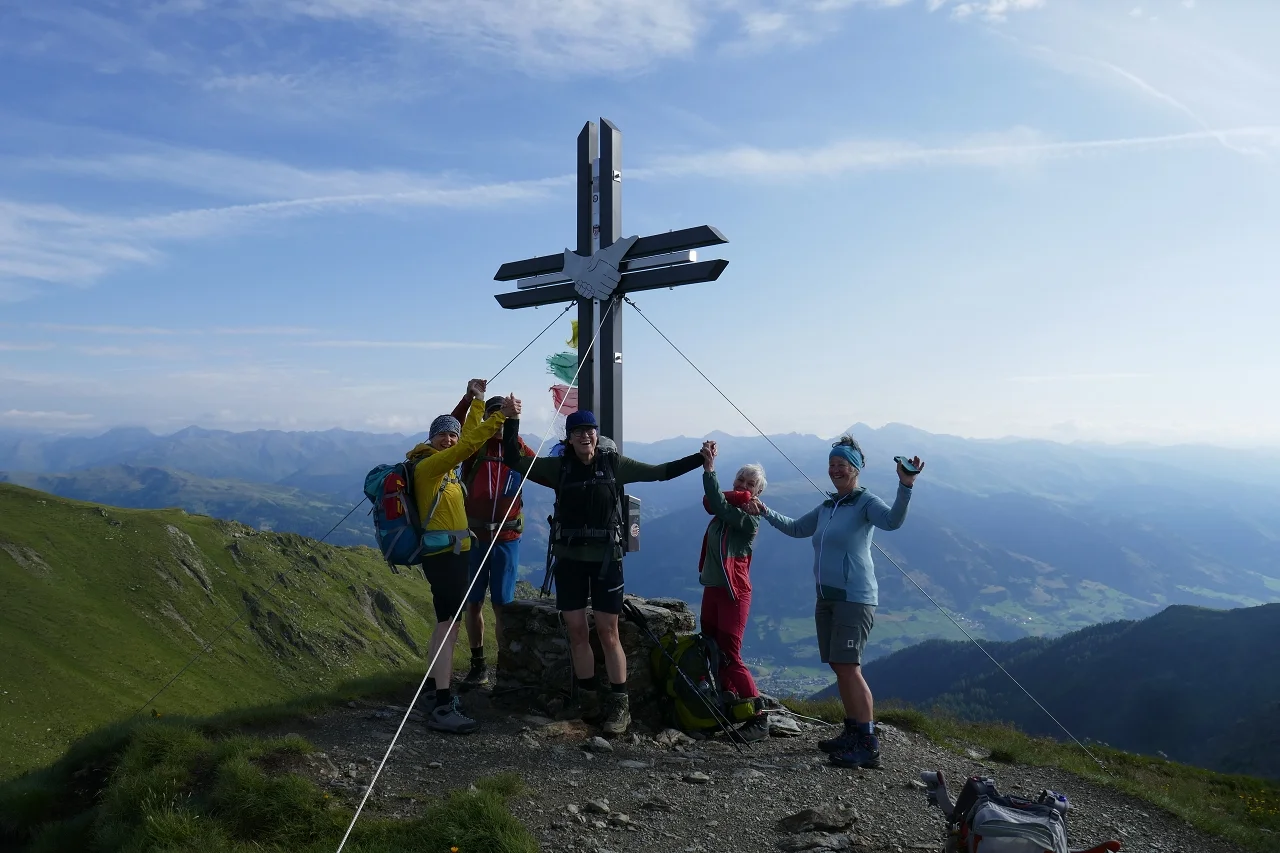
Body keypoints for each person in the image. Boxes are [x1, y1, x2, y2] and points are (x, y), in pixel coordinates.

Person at [502, 409, 707, 736]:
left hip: (606, 561)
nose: (585, 435)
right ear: (569, 438)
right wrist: (512, 419)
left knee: (608, 632)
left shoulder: (614, 465)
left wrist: (700, 458)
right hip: (569, 560)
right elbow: (513, 458)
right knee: (577, 631)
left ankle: (619, 705)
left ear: (597, 435)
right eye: (579, 431)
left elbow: (660, 473)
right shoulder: (559, 467)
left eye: (590, 430)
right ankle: (589, 700)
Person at [747, 436, 923, 768]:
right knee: (839, 666)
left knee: (849, 667)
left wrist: (906, 485)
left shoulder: (864, 503)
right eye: (832, 464)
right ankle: (853, 730)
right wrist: (765, 510)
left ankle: (868, 743)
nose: (835, 470)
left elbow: (893, 521)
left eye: (842, 465)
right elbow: (798, 528)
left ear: (856, 469)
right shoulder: (829, 506)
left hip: (854, 599)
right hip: (826, 597)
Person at [405, 380, 519, 734]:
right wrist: (497, 416)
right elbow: (472, 440)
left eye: (451, 436)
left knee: (445, 624)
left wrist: (479, 401)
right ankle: (442, 704)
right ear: (431, 438)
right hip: (444, 556)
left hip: (452, 553)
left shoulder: (443, 466)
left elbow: (467, 434)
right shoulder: (431, 466)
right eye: (442, 435)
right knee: (447, 628)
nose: (450, 440)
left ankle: (431, 692)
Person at [446, 393, 535, 689]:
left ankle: (504, 670)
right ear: (486, 418)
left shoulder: (518, 448)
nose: (499, 421)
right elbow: (452, 431)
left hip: (506, 537)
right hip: (474, 537)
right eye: (494, 415)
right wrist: (471, 399)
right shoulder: (473, 447)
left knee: (501, 607)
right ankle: (478, 664)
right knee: (473, 604)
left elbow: (546, 471)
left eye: (504, 415)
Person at [697, 441, 771, 742]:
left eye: (750, 484)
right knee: (711, 646)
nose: (743, 485)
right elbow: (712, 501)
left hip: (734, 593)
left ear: (757, 492)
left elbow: (715, 499)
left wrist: (709, 468)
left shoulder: (748, 519)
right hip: (714, 588)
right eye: (740, 480)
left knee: (731, 652)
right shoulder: (723, 512)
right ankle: (730, 703)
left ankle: (759, 717)